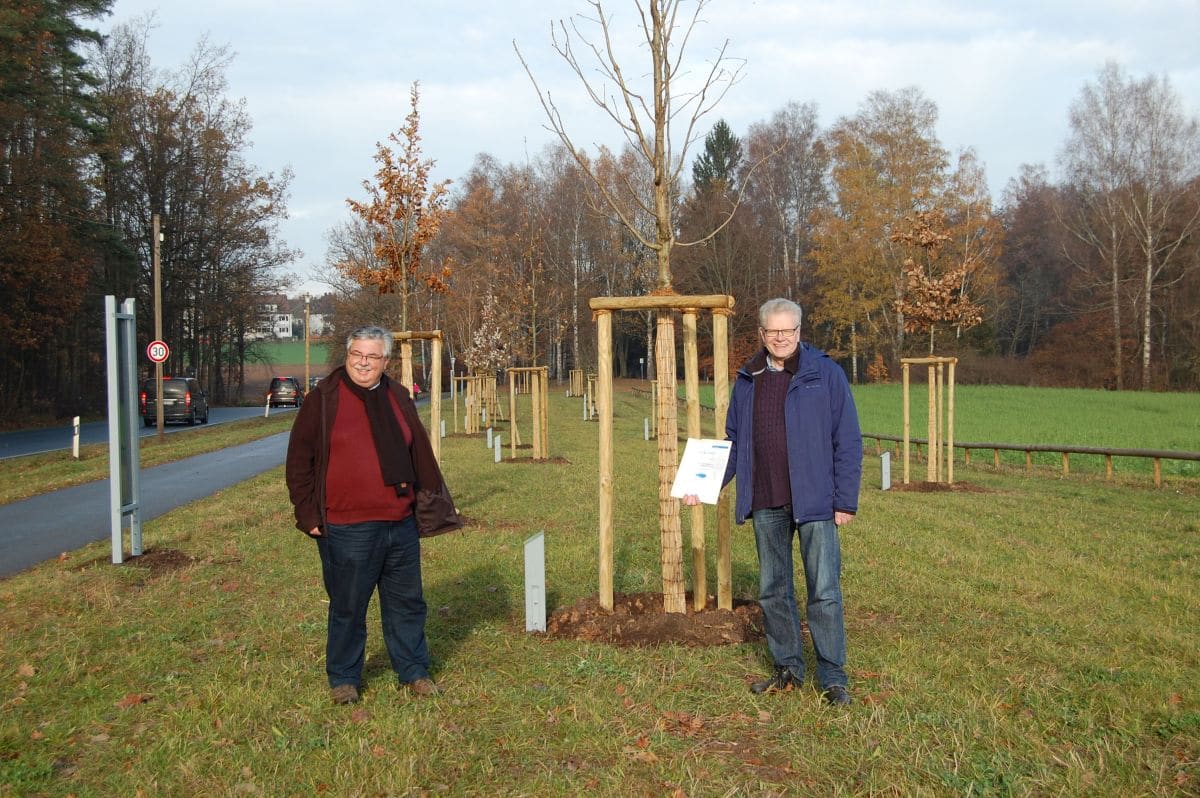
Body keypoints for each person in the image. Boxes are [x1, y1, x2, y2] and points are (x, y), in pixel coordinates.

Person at [687, 298, 862, 705]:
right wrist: (707, 484)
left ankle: (833, 676)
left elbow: (848, 440)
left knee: (824, 591)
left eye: (788, 330)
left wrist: (845, 501)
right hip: (766, 497)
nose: (781, 337)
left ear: (799, 331)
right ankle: (787, 669)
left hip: (817, 501)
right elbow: (734, 442)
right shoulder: (748, 379)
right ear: (762, 334)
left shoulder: (826, 374)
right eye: (773, 331)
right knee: (773, 589)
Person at [286, 325, 462, 705]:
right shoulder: (323, 399)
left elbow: (419, 453)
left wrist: (428, 505)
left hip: (399, 522)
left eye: (372, 356)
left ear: (385, 361)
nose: (363, 362)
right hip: (347, 525)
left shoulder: (397, 396)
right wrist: (307, 512)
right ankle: (344, 679)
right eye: (356, 355)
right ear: (347, 356)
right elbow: (300, 460)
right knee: (349, 605)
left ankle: (414, 670)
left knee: (407, 603)